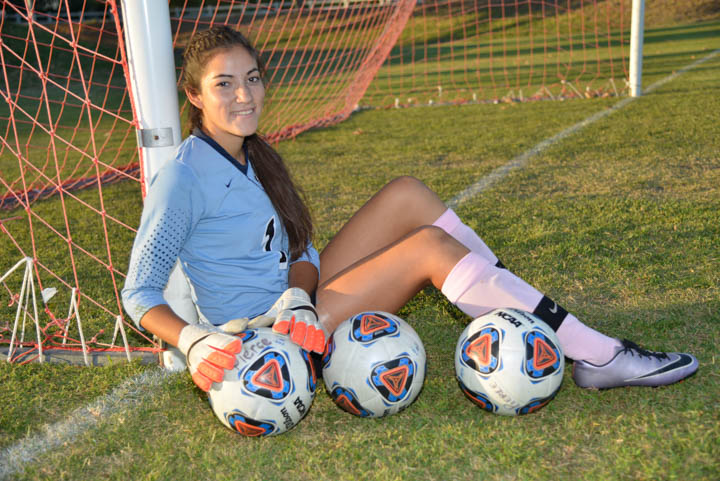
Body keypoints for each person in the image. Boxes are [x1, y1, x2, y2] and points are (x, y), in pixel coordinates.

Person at [122, 26, 697, 394]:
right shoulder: (183, 178)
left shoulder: (253, 155)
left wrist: (298, 292)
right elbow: (139, 293)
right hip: (270, 342)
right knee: (428, 247)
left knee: (406, 194)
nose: (244, 95)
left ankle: (510, 305)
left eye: (251, 79)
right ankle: (602, 356)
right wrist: (194, 342)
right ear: (194, 97)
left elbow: (300, 250)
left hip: (299, 307)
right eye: (225, 84)